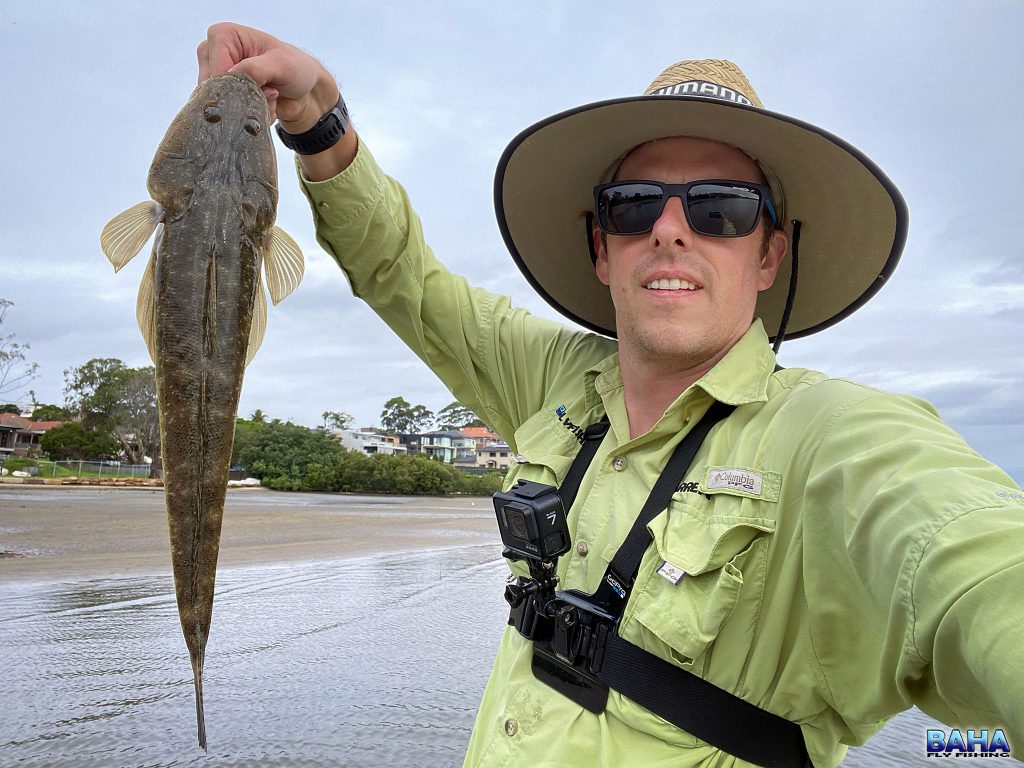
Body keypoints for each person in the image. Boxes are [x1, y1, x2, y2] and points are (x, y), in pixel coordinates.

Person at [198, 23, 1024, 768]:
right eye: (634, 207)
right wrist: (319, 119)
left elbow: (975, 566)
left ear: (768, 256)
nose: (670, 228)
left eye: (722, 210)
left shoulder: (833, 436)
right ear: (603, 247)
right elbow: (404, 277)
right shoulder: (558, 381)